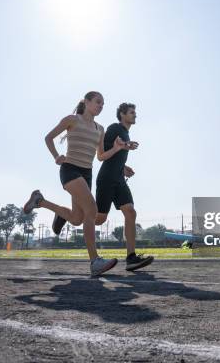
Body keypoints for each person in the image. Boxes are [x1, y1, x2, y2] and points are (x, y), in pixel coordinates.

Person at [23, 91, 128, 276]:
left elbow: (101, 156)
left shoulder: (100, 129)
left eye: (103, 104)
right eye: (97, 102)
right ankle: (95, 261)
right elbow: (48, 137)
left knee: (77, 219)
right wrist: (56, 156)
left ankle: (40, 201)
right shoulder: (72, 120)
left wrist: (116, 148)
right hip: (70, 169)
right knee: (91, 210)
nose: (101, 106)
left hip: (86, 174)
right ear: (86, 102)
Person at [50, 102, 153, 271]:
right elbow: (104, 152)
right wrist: (126, 146)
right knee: (97, 218)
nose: (135, 115)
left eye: (135, 112)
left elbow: (115, 154)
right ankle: (65, 216)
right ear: (122, 114)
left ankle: (131, 258)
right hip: (106, 179)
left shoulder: (125, 132)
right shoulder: (114, 128)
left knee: (130, 212)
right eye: (131, 112)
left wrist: (123, 167)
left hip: (118, 179)